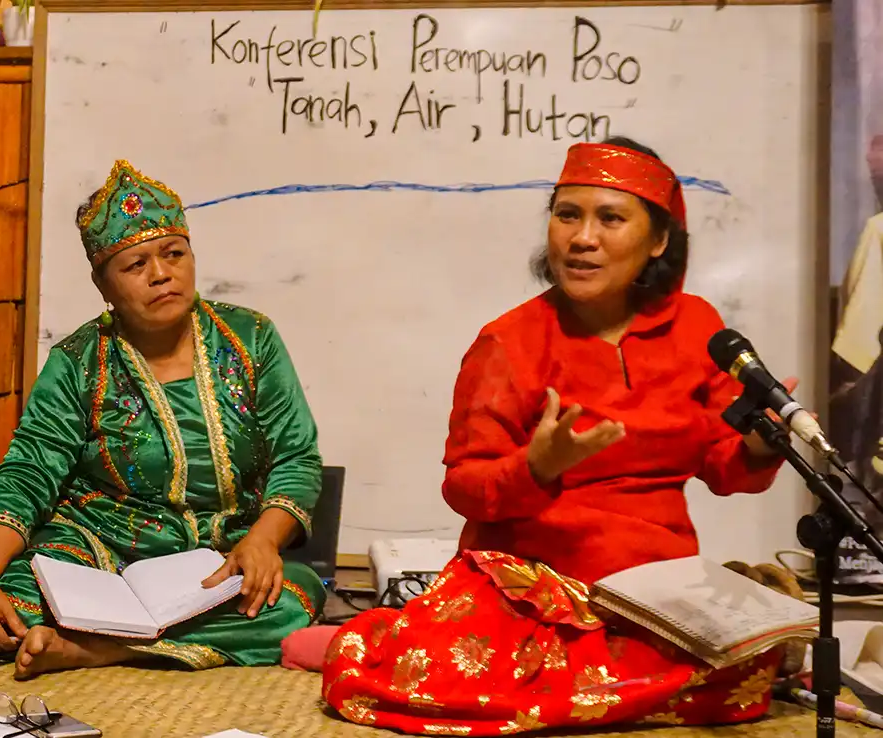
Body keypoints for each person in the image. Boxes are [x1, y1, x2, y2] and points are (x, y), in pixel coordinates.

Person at [322, 138, 795, 734]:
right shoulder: (510, 342)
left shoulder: (697, 326)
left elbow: (726, 467)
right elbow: (466, 487)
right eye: (567, 214)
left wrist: (759, 440)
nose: (581, 238)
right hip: (533, 582)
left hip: (653, 587)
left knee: (749, 667)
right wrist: (537, 465)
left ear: (658, 241)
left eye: (610, 218)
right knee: (438, 677)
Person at [0, 160, 326, 679]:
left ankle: (98, 649)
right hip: (99, 554)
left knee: (295, 598)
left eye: (173, 254)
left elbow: (296, 457)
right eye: (135, 265)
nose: (161, 273)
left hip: (218, 558)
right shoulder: (79, 360)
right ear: (103, 285)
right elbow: (28, 473)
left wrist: (264, 539)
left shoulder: (252, 339)